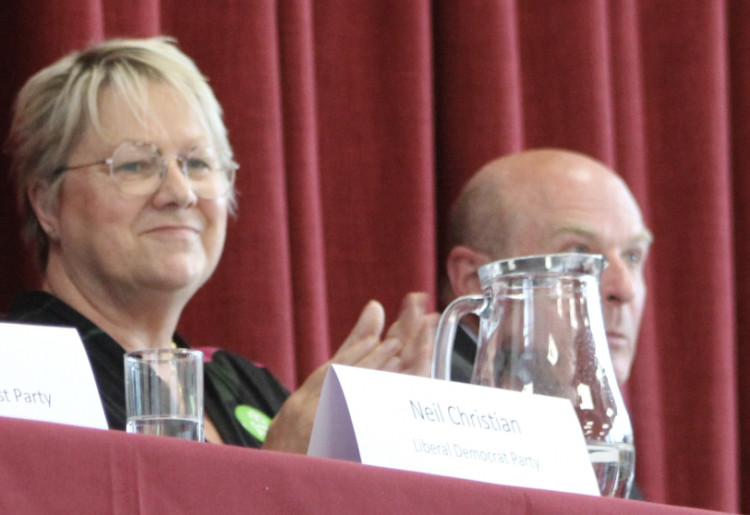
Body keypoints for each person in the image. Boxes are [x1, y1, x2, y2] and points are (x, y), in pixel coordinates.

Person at [3, 37, 437, 453]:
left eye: (197, 163)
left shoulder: (243, 384)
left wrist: (387, 444)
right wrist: (282, 474)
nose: (180, 192)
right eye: (135, 165)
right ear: (47, 205)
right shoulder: (18, 375)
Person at [444, 149, 652, 388]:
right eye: (579, 253)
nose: (624, 289)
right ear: (475, 281)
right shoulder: (438, 409)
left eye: (632, 256)